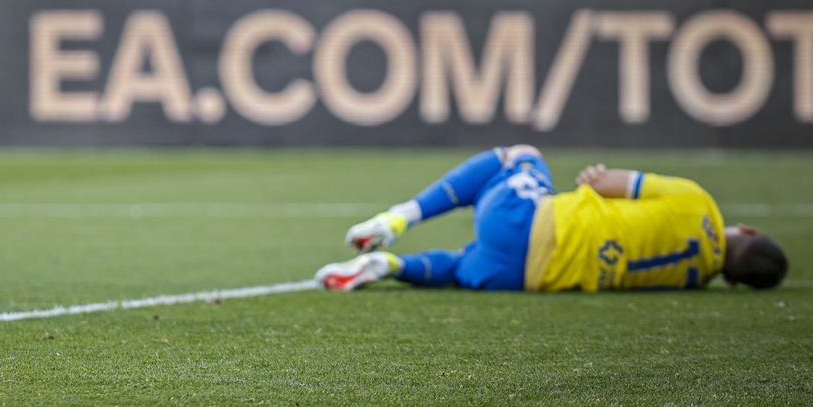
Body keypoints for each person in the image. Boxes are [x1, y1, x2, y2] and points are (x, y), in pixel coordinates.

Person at [314, 145, 788, 293]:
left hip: (526, 220)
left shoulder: (699, 202)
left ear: (746, 229)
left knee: (519, 155)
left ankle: (397, 219)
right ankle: (390, 266)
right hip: (527, 277)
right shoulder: (692, 280)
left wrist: (595, 179)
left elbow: (607, 183)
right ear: (732, 280)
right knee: (460, 268)